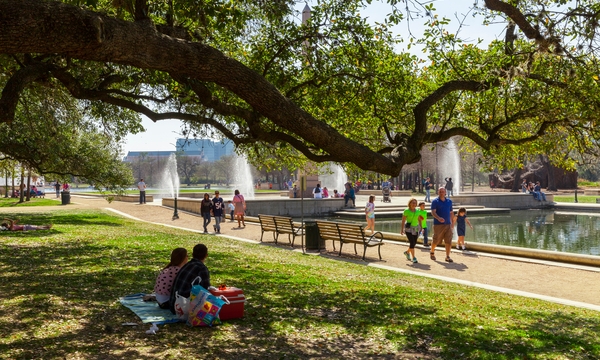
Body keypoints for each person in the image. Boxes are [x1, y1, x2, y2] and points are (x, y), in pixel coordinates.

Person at [169, 244, 211, 314]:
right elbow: (206, 289)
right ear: (206, 255)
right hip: (182, 308)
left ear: (192, 254)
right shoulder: (202, 268)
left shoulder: (187, 265)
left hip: (173, 304)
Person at [430, 187, 455, 263]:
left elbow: (451, 212)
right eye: (440, 191)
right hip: (438, 225)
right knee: (436, 240)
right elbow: (433, 212)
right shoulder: (435, 201)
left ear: (445, 193)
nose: (441, 192)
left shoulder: (449, 201)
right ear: (438, 192)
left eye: (443, 191)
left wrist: (452, 223)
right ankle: (432, 251)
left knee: (448, 241)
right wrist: (438, 218)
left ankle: (447, 256)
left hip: (448, 224)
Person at [401, 198, 423, 264]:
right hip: (408, 228)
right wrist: (402, 229)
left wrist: (421, 227)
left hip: (415, 228)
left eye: (415, 203)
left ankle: (407, 252)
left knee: (414, 243)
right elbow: (403, 220)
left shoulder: (418, 211)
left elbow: (419, 219)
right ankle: (414, 258)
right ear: (409, 203)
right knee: (412, 242)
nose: (414, 204)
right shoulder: (406, 211)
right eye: (413, 203)